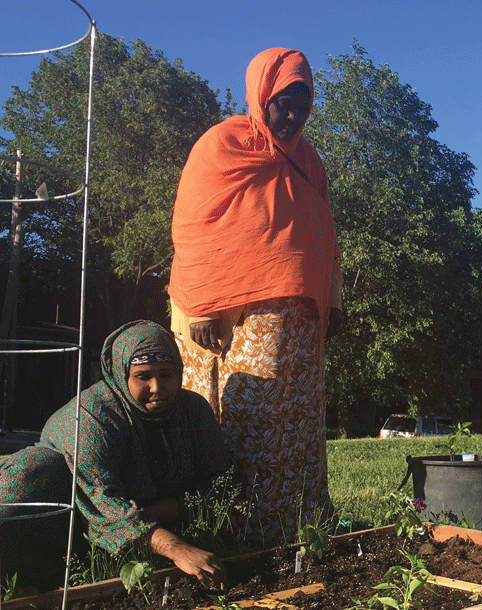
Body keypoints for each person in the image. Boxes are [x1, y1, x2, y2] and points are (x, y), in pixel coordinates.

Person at [168, 48, 342, 546]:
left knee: (295, 422)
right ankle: (232, 530)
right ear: (261, 95)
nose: (291, 115)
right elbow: (194, 226)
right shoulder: (221, 144)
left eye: (301, 105)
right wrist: (200, 306)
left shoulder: (311, 162)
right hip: (233, 317)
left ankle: (295, 526)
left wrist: (333, 302)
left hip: (300, 319)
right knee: (246, 417)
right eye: (282, 103)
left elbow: (324, 235)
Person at [0, 321, 231, 591]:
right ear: (120, 375)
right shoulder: (90, 416)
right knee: (36, 470)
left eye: (167, 374)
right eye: (143, 376)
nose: (157, 387)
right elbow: (102, 505)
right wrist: (177, 548)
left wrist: (165, 510)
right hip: (75, 522)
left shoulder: (193, 410)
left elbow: (222, 483)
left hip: (148, 519)